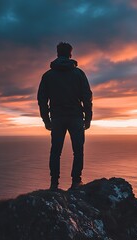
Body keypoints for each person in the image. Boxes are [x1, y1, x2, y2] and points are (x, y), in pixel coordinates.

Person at [37, 42, 93, 190]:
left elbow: (42, 100)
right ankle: (76, 182)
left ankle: (54, 184)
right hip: (75, 117)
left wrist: (46, 120)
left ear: (57, 54)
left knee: (55, 152)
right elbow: (87, 97)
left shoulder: (48, 76)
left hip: (57, 118)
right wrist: (88, 118)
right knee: (78, 151)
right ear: (70, 54)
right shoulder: (79, 74)